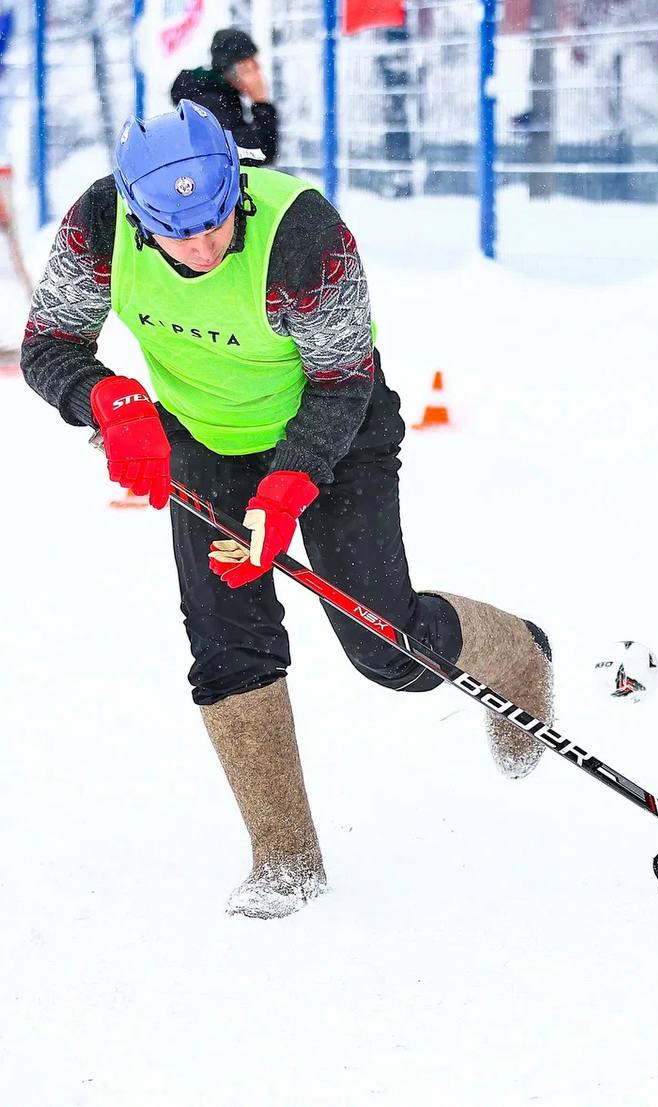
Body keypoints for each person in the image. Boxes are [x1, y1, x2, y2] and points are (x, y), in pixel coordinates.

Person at [21, 100, 552, 920]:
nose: (202, 247)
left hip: (336, 426)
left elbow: (343, 377)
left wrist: (288, 486)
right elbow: (48, 343)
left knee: (385, 642)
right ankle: (285, 857)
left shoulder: (304, 238)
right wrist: (109, 403)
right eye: (177, 233)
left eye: (214, 222)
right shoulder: (98, 226)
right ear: (137, 216)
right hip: (203, 437)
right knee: (226, 641)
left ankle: (516, 654)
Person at [171, 28, 277, 165]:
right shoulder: (210, 100)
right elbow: (255, 152)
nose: (258, 69)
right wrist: (261, 102)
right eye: (249, 64)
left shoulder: (222, 95)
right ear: (233, 68)